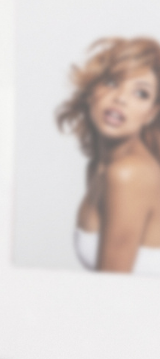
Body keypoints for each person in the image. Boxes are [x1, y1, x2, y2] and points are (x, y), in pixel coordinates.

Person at [57, 36, 160, 275]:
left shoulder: (128, 173)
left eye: (141, 94)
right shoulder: (98, 166)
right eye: (113, 82)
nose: (121, 98)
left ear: (151, 114)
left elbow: (110, 291)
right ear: (92, 88)